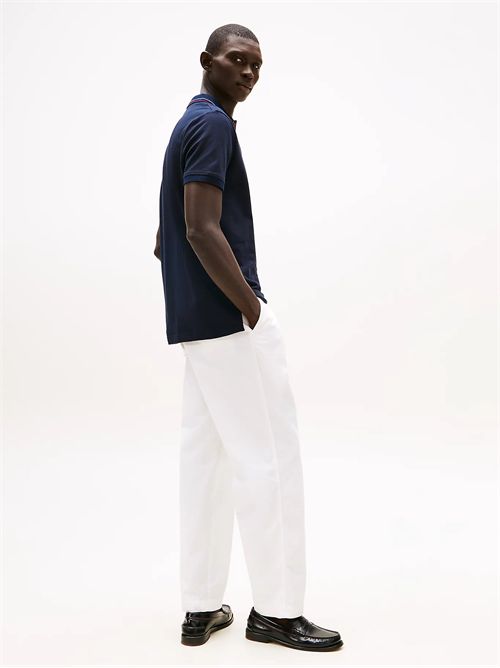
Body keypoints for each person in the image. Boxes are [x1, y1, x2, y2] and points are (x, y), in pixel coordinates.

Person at [154, 23, 343, 652]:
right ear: (206, 60)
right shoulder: (212, 125)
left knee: (204, 462)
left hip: (195, 324)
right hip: (229, 322)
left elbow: (165, 238)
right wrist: (251, 309)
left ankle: (200, 606)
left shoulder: (188, 123)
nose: (249, 72)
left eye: (257, 64)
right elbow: (198, 229)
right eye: (237, 59)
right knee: (270, 459)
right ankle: (279, 612)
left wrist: (193, 296)